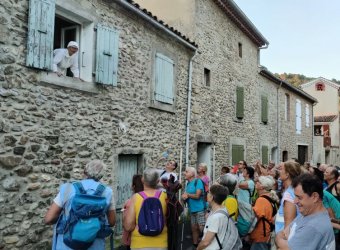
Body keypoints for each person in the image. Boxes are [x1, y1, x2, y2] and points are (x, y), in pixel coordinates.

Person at [45, 160, 116, 250]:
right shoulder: (107, 192)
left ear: (84, 171)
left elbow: (49, 218)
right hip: (95, 244)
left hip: (66, 244)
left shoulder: (68, 188)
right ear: (101, 175)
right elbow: (112, 222)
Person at [276, 173, 335, 250]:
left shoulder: (313, 227)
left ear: (314, 197)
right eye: (295, 196)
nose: (295, 201)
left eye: (299, 197)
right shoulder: (307, 212)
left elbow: (286, 246)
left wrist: (279, 238)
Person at [124, 167, 168, 249]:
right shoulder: (165, 197)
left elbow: (128, 226)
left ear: (142, 180)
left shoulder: (136, 197)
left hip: (139, 244)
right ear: (158, 181)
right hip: (161, 243)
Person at [197, 184, 242, 250]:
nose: (207, 194)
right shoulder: (224, 210)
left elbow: (206, 242)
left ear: (212, 197)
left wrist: (198, 248)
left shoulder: (215, 217)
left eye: (209, 192)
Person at [250, 176, 278, 250]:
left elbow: (255, 218)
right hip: (266, 234)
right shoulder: (270, 197)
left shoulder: (261, 200)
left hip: (260, 235)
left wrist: (247, 232)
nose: (256, 182)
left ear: (262, 186)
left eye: (258, 182)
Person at [182, 167, 206, 248]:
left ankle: (206, 244)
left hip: (200, 209)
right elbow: (187, 198)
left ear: (192, 174)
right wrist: (184, 198)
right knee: (194, 229)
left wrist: (187, 195)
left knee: (201, 228)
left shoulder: (197, 181)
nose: (184, 173)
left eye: (186, 171)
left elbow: (197, 196)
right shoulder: (188, 184)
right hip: (192, 209)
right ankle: (195, 245)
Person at [275, 161, 301, 234]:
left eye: (281, 169)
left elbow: (289, 225)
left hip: (284, 238)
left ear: (287, 174)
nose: (279, 171)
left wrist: (282, 242)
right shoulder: (294, 190)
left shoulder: (289, 194)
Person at [122, 175, 143, 250]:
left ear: (133, 186)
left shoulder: (129, 202)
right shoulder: (150, 199)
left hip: (133, 238)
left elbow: (127, 224)